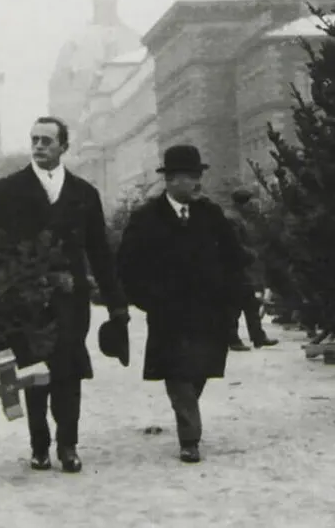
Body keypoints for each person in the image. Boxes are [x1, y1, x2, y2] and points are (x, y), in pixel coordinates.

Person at [0, 116, 130, 474]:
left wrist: (117, 306)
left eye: (47, 140)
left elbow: (100, 254)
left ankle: (68, 444)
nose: (39, 146)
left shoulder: (83, 194)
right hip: (25, 300)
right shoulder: (7, 191)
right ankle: (38, 445)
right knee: (33, 372)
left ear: (64, 146)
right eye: (34, 139)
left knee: (69, 371)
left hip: (71, 301)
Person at [116, 144, 251, 464]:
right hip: (168, 312)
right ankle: (189, 437)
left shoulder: (210, 214)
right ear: (172, 181)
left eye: (197, 176)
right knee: (176, 371)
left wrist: (229, 298)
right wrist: (148, 300)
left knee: (200, 369)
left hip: (208, 310)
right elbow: (127, 264)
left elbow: (233, 257)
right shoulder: (146, 217)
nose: (197, 183)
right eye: (190, 177)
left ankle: (188, 417)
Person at [226, 188, 279, 351]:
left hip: (242, 269)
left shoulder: (238, 217)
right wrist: (251, 254)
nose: (252, 205)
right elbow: (234, 245)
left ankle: (257, 337)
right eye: (249, 202)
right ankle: (233, 339)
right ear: (242, 204)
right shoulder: (232, 219)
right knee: (235, 306)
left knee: (250, 303)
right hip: (235, 269)